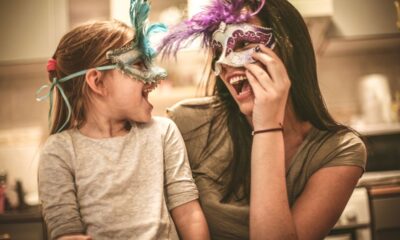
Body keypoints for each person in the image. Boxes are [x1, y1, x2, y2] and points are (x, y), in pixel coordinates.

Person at [159, 0, 367, 239]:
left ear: (289, 50)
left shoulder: (340, 150)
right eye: (219, 50)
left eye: (244, 43)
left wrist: (267, 125)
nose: (225, 62)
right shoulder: (187, 124)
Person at [37, 1, 210, 239]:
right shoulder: (59, 153)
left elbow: (189, 215)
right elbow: (67, 233)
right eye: (138, 65)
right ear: (97, 82)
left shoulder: (163, 133)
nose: (153, 76)